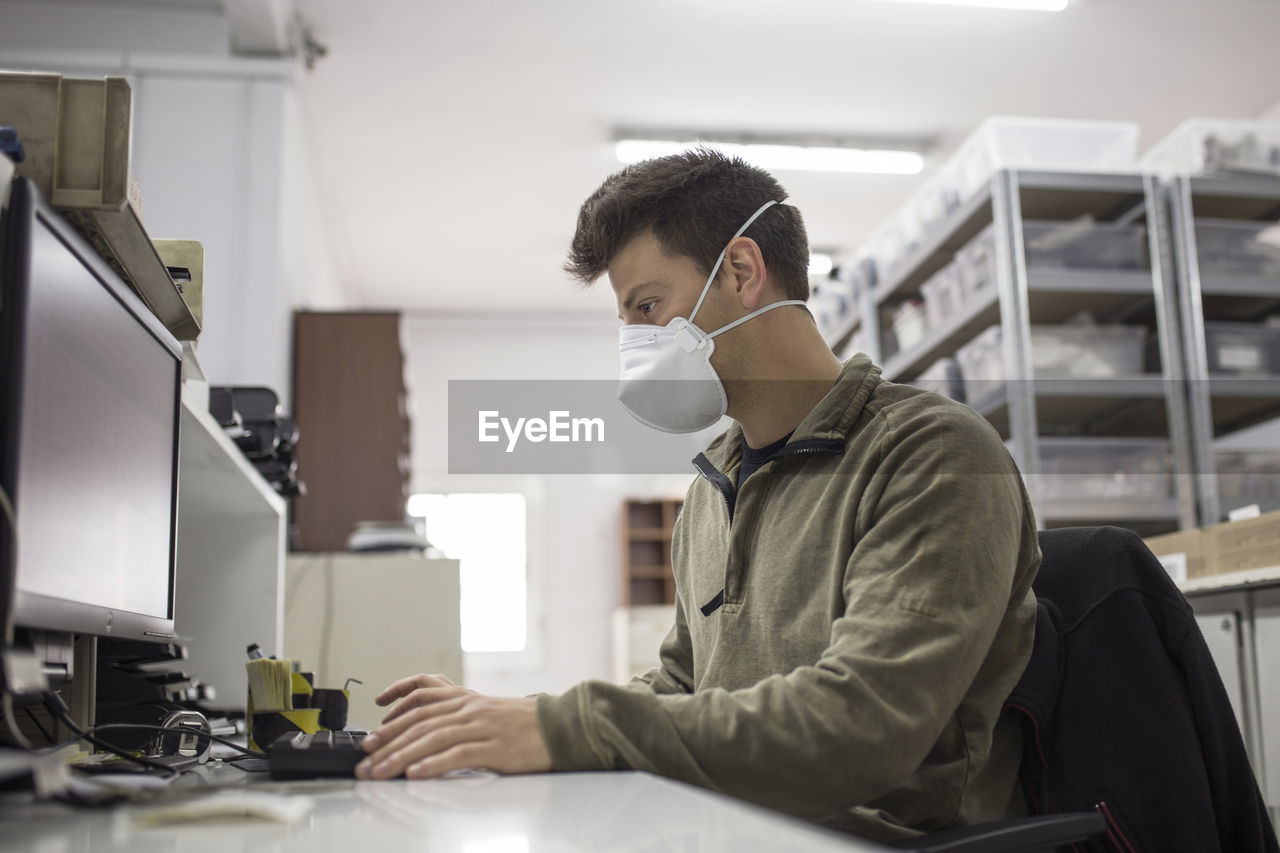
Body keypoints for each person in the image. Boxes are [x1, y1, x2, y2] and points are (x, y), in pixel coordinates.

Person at [356, 148, 1040, 845]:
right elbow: (684, 686)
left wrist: (566, 728)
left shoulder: (931, 455)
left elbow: (862, 726)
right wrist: (507, 718)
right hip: (727, 823)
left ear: (742, 272)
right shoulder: (714, 488)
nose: (637, 343)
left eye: (648, 307)